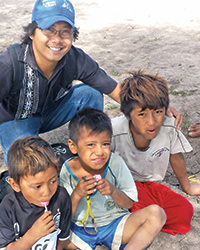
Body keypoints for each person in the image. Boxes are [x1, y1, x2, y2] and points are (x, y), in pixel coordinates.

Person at [0, 0, 181, 201]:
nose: (57, 39)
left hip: (51, 111)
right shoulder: (9, 63)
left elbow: (114, 89)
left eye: (65, 31)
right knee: (30, 170)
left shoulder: (74, 58)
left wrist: (155, 106)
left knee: (91, 93)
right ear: (33, 32)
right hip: (15, 121)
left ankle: (86, 153)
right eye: (49, 30)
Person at [59, 107, 166, 250]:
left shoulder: (115, 163)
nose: (99, 152)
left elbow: (128, 204)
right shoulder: (67, 169)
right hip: (80, 229)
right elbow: (64, 215)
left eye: (105, 144)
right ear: (73, 146)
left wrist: (113, 191)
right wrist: (77, 194)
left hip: (115, 224)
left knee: (156, 213)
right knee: (56, 239)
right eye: (91, 145)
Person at [111, 70, 200, 236]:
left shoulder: (168, 127)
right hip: (124, 185)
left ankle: (143, 219)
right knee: (129, 204)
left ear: (165, 109)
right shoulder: (114, 130)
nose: (151, 122)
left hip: (153, 185)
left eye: (158, 112)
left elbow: (176, 155)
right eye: (142, 114)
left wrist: (187, 186)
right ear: (127, 114)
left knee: (184, 212)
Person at [0, 136, 72, 249]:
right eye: (37, 186)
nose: (47, 192)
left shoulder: (61, 197)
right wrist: (33, 235)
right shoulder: (8, 207)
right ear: (15, 185)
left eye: (53, 181)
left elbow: (62, 239)